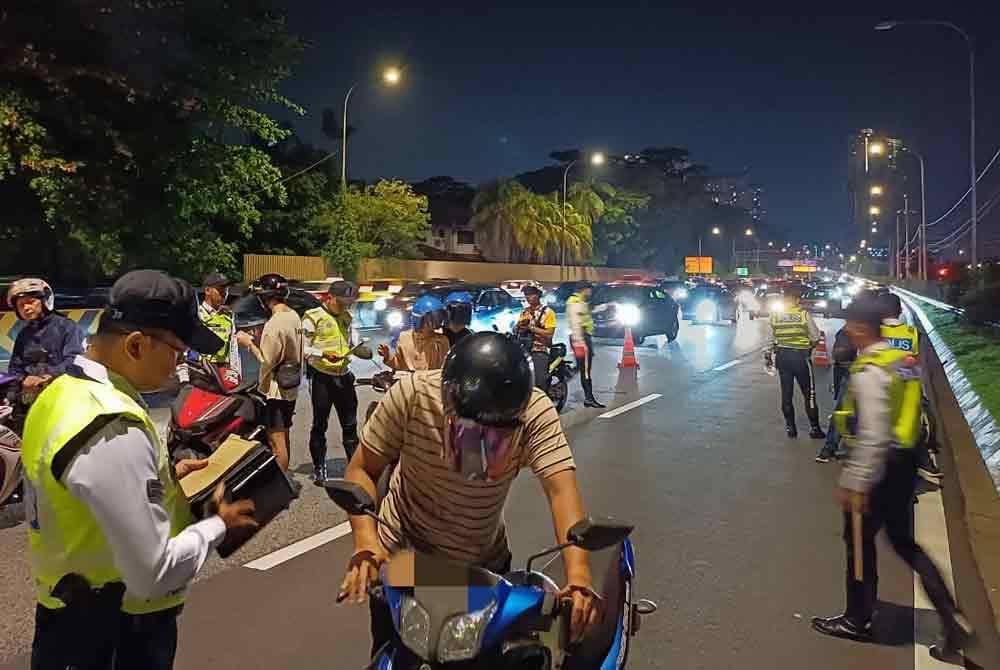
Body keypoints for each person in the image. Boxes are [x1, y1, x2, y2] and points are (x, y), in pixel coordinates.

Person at [21, 269, 257, 670]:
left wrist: (165, 477)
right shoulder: (110, 423)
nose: (180, 364)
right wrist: (219, 524)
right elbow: (154, 572)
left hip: (67, 619)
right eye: (177, 351)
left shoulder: (62, 392)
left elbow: (84, 493)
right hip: (115, 633)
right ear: (135, 345)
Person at [338, 332, 601, 656]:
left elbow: (561, 490)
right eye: (468, 433)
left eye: (495, 439)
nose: (478, 452)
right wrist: (366, 543)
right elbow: (362, 469)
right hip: (403, 563)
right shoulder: (412, 395)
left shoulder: (536, 413)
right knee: (392, 655)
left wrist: (579, 575)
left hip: (482, 569)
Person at [811, 292, 973, 663]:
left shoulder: (871, 368)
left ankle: (857, 619)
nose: (847, 329)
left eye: (851, 323)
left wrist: (856, 482)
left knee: (858, 543)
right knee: (904, 543)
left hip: (880, 465)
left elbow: (874, 431)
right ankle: (951, 619)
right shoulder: (901, 360)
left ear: (861, 327)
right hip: (904, 461)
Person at [303, 281, 373, 484]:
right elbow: (301, 348)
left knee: (350, 425)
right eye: (341, 302)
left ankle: (355, 468)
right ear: (329, 297)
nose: (345, 306)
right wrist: (322, 354)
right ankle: (319, 468)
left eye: (348, 302)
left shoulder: (347, 317)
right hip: (322, 377)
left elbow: (353, 343)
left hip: (344, 376)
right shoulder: (313, 317)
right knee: (320, 424)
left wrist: (362, 350)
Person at [877, 292, 941, 482]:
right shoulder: (913, 333)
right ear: (899, 310)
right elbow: (918, 364)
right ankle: (923, 463)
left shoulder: (874, 334)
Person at [244, 273, 303, 474]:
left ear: (265, 297)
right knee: (284, 435)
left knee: (277, 443)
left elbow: (266, 360)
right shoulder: (293, 316)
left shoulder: (275, 323)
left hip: (276, 391)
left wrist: (249, 343)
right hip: (291, 386)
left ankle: (281, 485)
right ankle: (286, 480)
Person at [6, 278, 85, 405]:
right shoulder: (24, 334)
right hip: (31, 399)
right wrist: (13, 393)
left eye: (30, 302)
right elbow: (15, 369)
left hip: (63, 396)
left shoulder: (67, 327)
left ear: (45, 301)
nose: (26, 308)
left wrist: (47, 377)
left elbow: (75, 361)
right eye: (21, 305)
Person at [765, 284, 824, 438]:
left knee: (786, 394)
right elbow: (815, 337)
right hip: (800, 358)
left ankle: (790, 428)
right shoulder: (803, 315)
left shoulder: (775, 316)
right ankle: (815, 429)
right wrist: (809, 346)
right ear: (797, 300)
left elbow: (771, 339)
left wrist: (768, 356)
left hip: (782, 358)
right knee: (809, 394)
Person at [815, 323, 856, 463]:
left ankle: (829, 449)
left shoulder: (850, 330)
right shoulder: (851, 330)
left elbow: (839, 356)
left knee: (843, 411)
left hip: (854, 373)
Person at [198, 273, 252, 379]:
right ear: (207, 290)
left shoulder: (228, 316)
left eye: (226, 289)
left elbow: (233, 347)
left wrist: (236, 372)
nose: (224, 293)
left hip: (223, 372)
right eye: (220, 289)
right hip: (200, 370)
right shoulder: (196, 313)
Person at [377, 294, 449, 371]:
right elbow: (399, 365)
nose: (435, 323)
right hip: (410, 378)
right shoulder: (404, 338)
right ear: (419, 319)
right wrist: (387, 356)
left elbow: (445, 367)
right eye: (431, 320)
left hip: (432, 378)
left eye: (438, 319)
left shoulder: (441, 341)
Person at [566, 282, 605, 409]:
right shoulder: (576, 303)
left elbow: (588, 310)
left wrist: (605, 306)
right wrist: (579, 341)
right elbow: (576, 323)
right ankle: (589, 398)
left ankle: (565, 377)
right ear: (584, 290)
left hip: (580, 338)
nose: (590, 292)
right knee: (586, 370)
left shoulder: (578, 301)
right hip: (581, 338)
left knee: (581, 367)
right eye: (589, 290)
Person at [516, 285, 557, 391]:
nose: (528, 297)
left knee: (538, 383)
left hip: (540, 350)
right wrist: (519, 327)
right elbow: (519, 329)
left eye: (530, 294)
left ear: (538, 295)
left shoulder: (548, 312)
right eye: (526, 295)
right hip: (525, 349)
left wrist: (532, 328)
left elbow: (549, 334)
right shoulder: (525, 312)